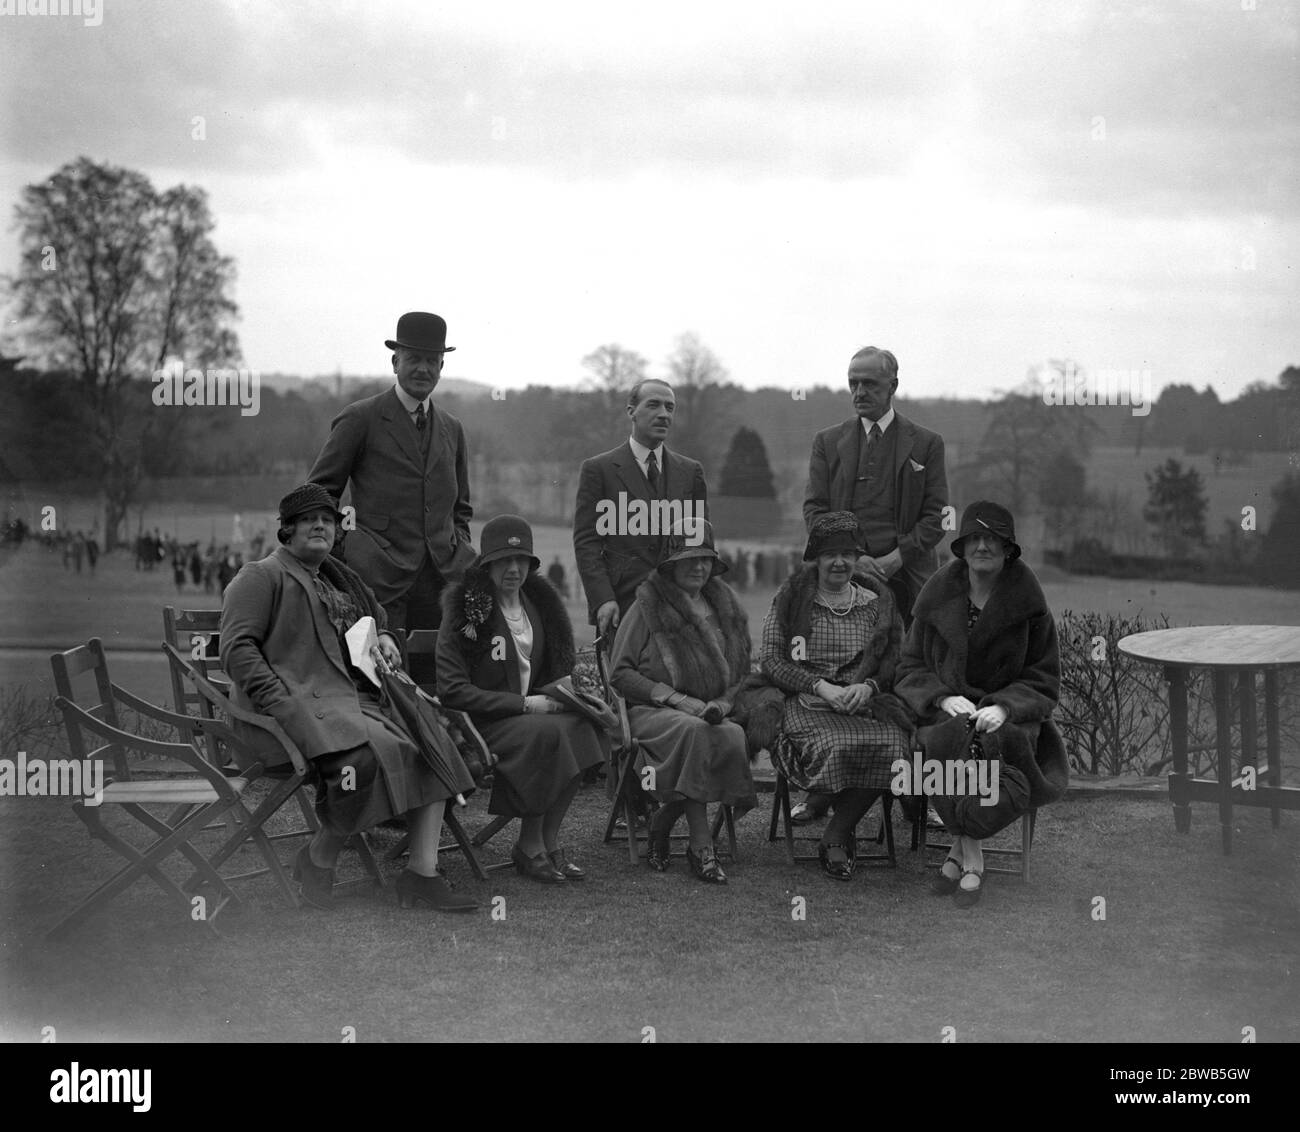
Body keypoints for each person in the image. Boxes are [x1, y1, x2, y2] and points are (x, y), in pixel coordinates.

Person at [220, 482, 479, 913]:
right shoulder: (260, 576)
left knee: (428, 743)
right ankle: (319, 858)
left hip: (346, 705)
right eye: (308, 520)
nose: (320, 526)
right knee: (364, 760)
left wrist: (389, 637)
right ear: (286, 531)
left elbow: (376, 619)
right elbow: (237, 651)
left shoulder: (340, 579)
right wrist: (282, 704)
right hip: (278, 720)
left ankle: (422, 873)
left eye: (328, 520)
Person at [797, 346, 949, 824]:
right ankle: (824, 789)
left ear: (893, 387)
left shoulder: (926, 443)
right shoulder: (829, 441)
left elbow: (938, 516)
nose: (860, 392)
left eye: (871, 384)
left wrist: (898, 556)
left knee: (911, 678)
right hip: (842, 577)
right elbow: (814, 509)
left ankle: (919, 794)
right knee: (839, 673)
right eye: (853, 383)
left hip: (908, 580)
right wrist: (852, 558)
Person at [895, 501, 1069, 908]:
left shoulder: (1031, 606)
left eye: (993, 539)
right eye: (975, 537)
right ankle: (970, 858)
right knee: (944, 739)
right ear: (963, 547)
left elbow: (1045, 679)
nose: (983, 546)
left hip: (1010, 716)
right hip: (948, 707)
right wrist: (942, 695)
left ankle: (958, 856)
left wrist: (1005, 707)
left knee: (989, 744)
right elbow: (909, 667)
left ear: (1009, 549)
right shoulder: (936, 595)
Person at [738, 512, 914, 880]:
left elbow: (898, 662)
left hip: (862, 704)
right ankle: (835, 825)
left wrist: (869, 687)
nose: (839, 562)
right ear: (815, 558)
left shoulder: (877, 603)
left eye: (848, 554)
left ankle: (838, 829)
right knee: (835, 743)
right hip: (806, 702)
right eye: (830, 554)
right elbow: (770, 659)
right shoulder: (790, 600)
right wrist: (821, 687)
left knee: (896, 745)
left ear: (858, 557)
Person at [437, 516, 607, 883]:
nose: (513, 569)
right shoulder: (467, 608)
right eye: (503, 560)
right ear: (488, 564)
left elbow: (549, 673)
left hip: (533, 718)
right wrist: (527, 705)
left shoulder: (538, 605)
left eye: (522, 561)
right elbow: (452, 690)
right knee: (550, 734)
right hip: (480, 724)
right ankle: (529, 846)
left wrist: (574, 697)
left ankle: (547, 841)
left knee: (583, 727)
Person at [309, 312, 476, 633]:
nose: (423, 368)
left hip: (443, 582)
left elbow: (462, 509)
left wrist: (459, 550)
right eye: (414, 358)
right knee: (385, 677)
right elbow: (319, 494)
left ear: (442, 367)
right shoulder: (360, 418)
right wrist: (348, 547)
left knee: (438, 678)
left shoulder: (453, 429)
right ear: (395, 361)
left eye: (432, 360)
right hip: (378, 582)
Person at [609, 520, 755, 884]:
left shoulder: (726, 607)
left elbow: (739, 671)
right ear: (670, 564)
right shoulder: (647, 606)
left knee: (732, 736)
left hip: (710, 715)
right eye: (689, 559)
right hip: (653, 712)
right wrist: (675, 698)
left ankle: (664, 820)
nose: (699, 567)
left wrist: (721, 704)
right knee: (697, 733)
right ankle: (701, 846)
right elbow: (621, 674)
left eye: (705, 559)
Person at [573, 378, 708, 642]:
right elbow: (587, 542)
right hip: (622, 607)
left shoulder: (690, 472)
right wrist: (603, 599)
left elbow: (700, 545)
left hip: (680, 608)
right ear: (631, 411)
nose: (663, 414)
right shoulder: (598, 470)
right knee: (625, 681)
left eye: (670, 408)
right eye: (654, 405)